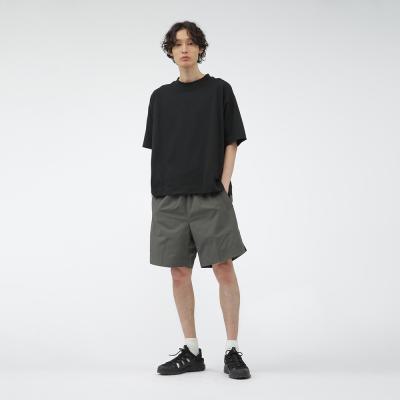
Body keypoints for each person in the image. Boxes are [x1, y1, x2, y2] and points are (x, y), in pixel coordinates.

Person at [142, 20, 251, 379]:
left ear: (200, 48)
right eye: (177, 44)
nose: (184, 49)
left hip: (210, 195)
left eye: (190, 43)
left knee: (223, 268)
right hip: (169, 198)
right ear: (170, 52)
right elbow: (160, 148)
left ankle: (232, 350)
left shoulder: (219, 90)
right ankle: (191, 350)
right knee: (178, 273)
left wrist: (223, 183)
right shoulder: (160, 97)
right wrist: (160, 191)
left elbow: (231, 141)